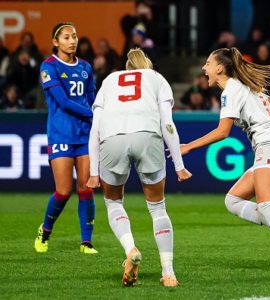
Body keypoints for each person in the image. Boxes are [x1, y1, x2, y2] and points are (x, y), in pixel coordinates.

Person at [180, 47, 270, 276]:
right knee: (233, 200)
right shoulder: (246, 88)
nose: (203, 68)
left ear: (220, 68)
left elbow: (222, 132)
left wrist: (188, 146)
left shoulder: (231, 90)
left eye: (208, 63)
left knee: (268, 205)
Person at [86, 48, 191, 287]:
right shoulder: (156, 78)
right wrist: (179, 165)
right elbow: (168, 123)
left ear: (127, 66)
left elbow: (95, 129)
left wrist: (93, 172)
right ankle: (168, 272)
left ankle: (130, 248)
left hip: (112, 138)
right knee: (157, 208)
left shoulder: (110, 80)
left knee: (113, 202)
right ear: (147, 64)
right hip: (147, 136)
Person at [34, 22, 97, 254]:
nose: (72, 41)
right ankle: (46, 231)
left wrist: (96, 114)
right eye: (66, 37)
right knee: (63, 191)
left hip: (84, 135)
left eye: (74, 36)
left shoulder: (86, 67)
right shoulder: (48, 66)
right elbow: (62, 102)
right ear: (55, 42)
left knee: (86, 187)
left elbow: (92, 97)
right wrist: (93, 113)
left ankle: (86, 242)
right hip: (61, 133)